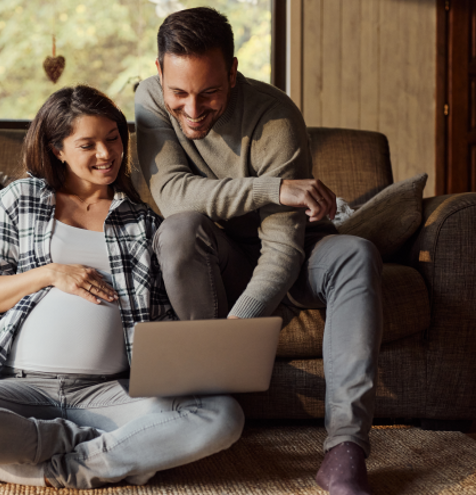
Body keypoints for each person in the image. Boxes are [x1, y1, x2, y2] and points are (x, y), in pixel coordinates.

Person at [0, 85, 244, 490]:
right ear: (57, 149)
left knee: (222, 415)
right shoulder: (16, 201)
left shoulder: (143, 222)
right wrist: (50, 273)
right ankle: (99, 452)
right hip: (22, 388)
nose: (106, 153)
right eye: (88, 144)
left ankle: (35, 467)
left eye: (113, 138)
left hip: (109, 394)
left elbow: (161, 318)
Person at [135, 8, 382, 495]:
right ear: (160, 72)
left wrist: (239, 330)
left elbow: (283, 249)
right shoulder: (149, 99)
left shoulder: (276, 117)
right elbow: (174, 197)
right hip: (217, 254)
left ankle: (345, 449)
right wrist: (275, 188)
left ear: (233, 71)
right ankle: (208, 404)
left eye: (210, 93)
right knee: (179, 230)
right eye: (179, 93)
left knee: (356, 251)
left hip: (294, 254)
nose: (191, 110)